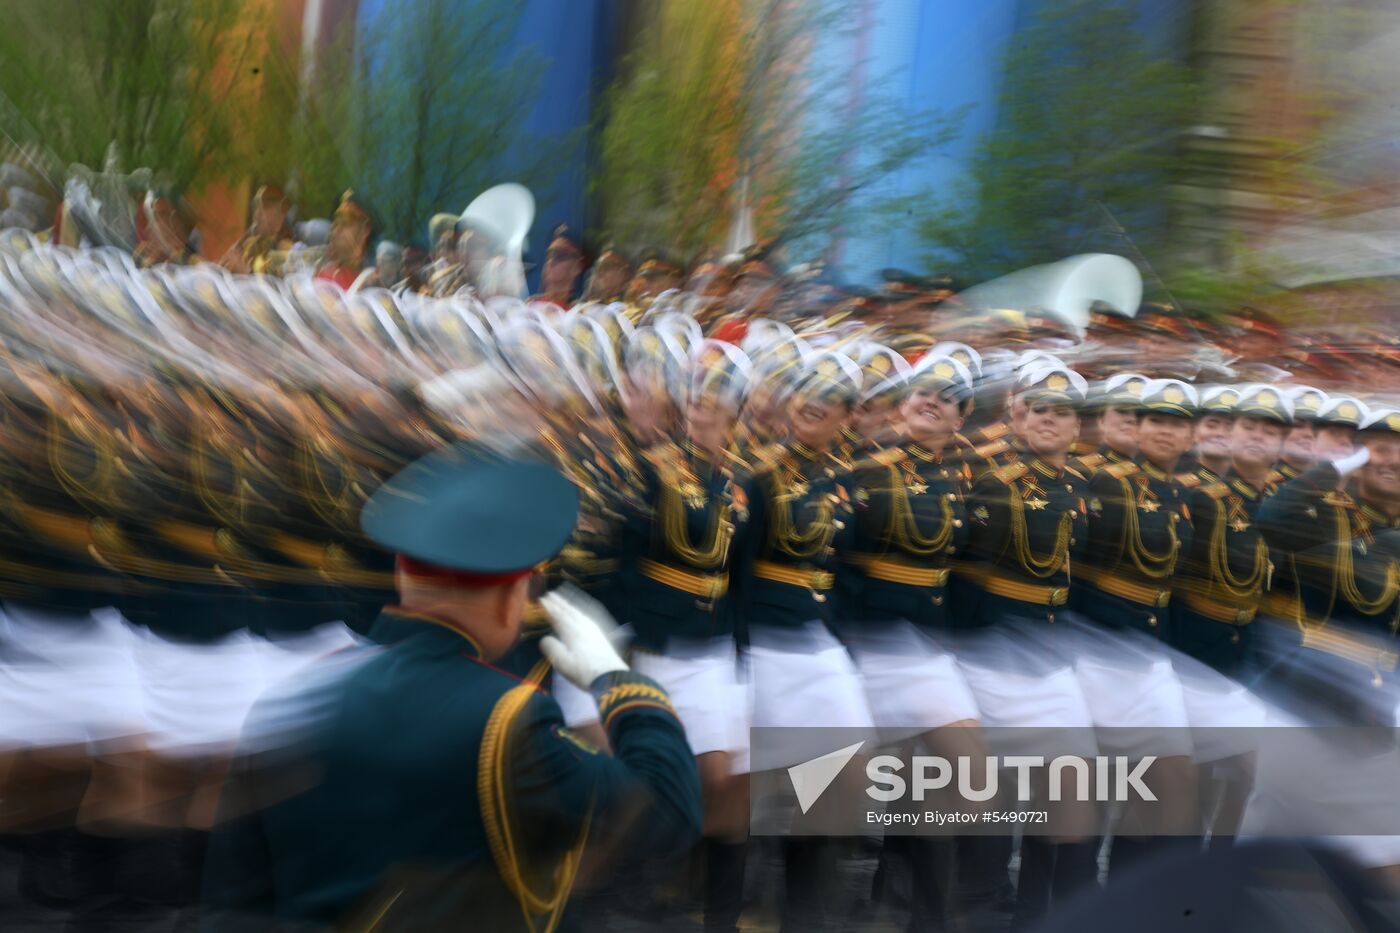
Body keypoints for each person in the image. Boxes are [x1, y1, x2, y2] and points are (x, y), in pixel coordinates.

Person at [202, 448, 702, 932]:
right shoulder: (509, 722)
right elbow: (667, 813)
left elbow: (234, 903)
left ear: (402, 574)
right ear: (514, 597)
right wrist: (617, 681)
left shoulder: (294, 699)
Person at [839, 353, 987, 929]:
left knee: (961, 771)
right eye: (923, 390)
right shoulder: (862, 464)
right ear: (903, 402)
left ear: (960, 418)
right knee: (845, 784)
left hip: (923, 648)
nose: (932, 400)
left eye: (948, 397)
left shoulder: (965, 477)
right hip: (860, 638)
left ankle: (922, 909)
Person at [733, 351, 875, 931]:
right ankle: (742, 901)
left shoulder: (846, 480)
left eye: (832, 396)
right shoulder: (759, 475)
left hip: (817, 643)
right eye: (806, 391)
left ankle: (799, 903)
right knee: (755, 787)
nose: (815, 402)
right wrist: (736, 651)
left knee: (848, 773)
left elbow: (843, 567)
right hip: (763, 639)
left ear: (848, 415)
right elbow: (737, 569)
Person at [956, 364, 1100, 929]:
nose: (1049, 420)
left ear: (1077, 427)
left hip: (1051, 654)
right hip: (994, 649)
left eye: (1062, 412)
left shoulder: (1085, 488)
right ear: (1019, 416)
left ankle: (1043, 912)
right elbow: (967, 572)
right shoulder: (993, 481)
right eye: (1039, 409)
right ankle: (976, 904)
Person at [221, 185, 294, 275]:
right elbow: (226, 261)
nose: (257, 214)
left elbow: (273, 285)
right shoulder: (251, 240)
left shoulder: (286, 247)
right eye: (256, 207)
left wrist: (243, 273)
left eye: (266, 207)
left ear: (283, 210)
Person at [315, 191, 371, 291]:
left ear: (364, 233)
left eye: (345, 223)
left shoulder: (369, 282)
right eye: (335, 223)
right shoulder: (322, 268)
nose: (336, 230)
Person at [531, 225, 586, 309]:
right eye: (549, 256)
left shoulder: (578, 312)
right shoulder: (531, 305)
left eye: (559, 256)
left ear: (576, 268)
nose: (551, 261)